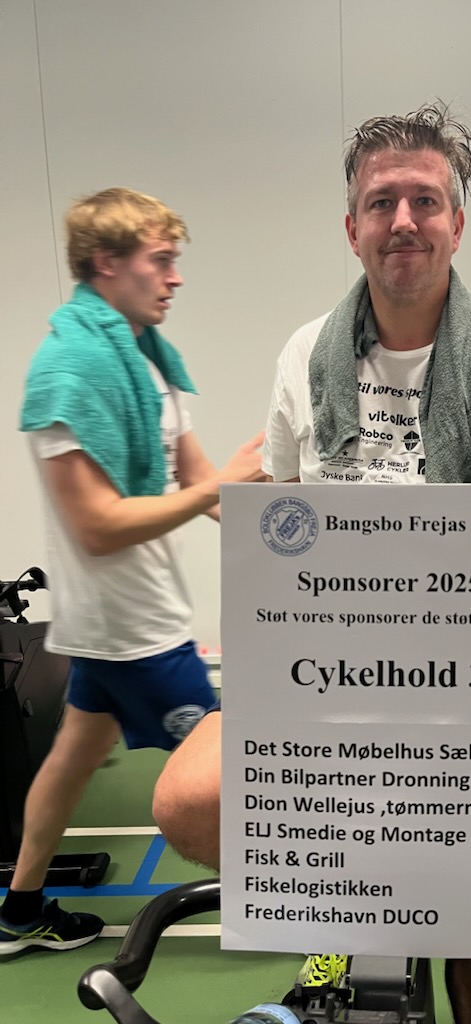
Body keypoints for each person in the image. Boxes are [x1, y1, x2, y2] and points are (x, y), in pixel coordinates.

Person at [154, 103, 471, 1023]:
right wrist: (233, 508)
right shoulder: (303, 355)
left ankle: (438, 935)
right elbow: (284, 506)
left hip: (468, 674)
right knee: (186, 800)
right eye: (381, 202)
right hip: (330, 667)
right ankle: (353, 905)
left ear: (457, 224)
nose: (404, 220)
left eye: (425, 200)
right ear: (352, 226)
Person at [0, 188, 265, 958]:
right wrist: (214, 491)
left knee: (71, 760)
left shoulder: (148, 360)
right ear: (105, 262)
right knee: (229, 777)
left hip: (112, 625)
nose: (175, 277)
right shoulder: (67, 372)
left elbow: (205, 484)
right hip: (132, 632)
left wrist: (296, 528)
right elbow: (98, 524)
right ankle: (291, 899)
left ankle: (19, 910)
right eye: (161, 259)